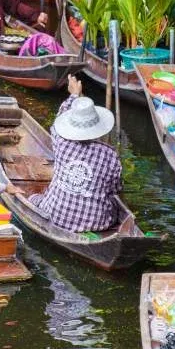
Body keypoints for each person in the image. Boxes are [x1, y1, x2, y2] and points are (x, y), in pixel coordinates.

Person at [29, 75, 122, 233]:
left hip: (56, 217)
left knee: (33, 199)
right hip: (98, 222)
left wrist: (74, 94)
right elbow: (116, 189)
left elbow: (57, 120)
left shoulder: (61, 143)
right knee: (114, 205)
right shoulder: (110, 155)